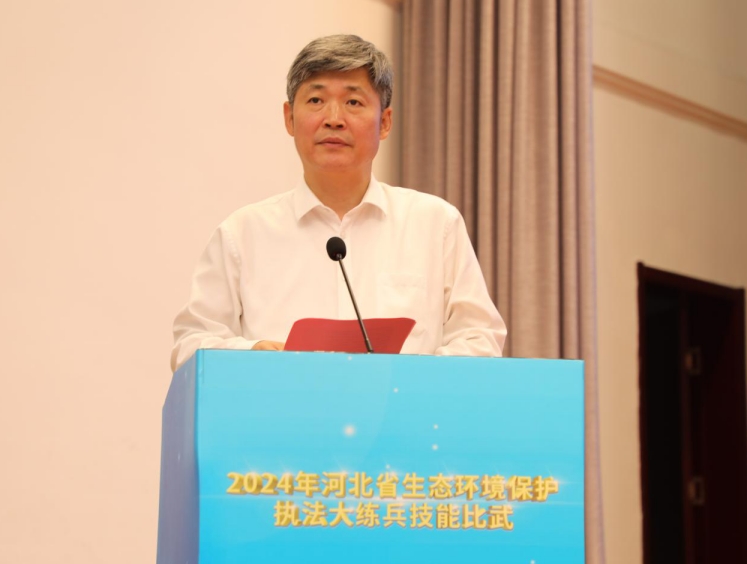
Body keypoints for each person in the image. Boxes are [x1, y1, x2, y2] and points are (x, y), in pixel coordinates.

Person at [171, 35, 507, 371]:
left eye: (353, 102)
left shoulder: (436, 224)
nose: (334, 118)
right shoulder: (242, 234)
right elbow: (190, 345)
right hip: (280, 404)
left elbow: (480, 339)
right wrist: (252, 353)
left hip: (402, 406)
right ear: (289, 118)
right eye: (316, 100)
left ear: (385, 122)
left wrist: (412, 378)